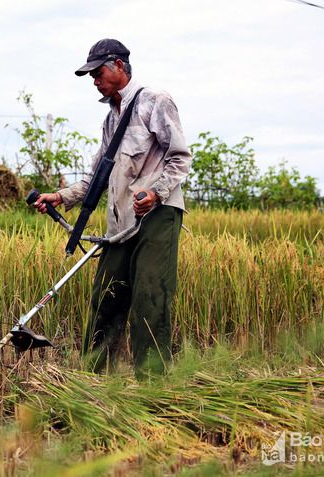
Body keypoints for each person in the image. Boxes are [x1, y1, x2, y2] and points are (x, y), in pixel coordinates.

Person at [33, 38, 191, 377]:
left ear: (119, 65)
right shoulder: (111, 120)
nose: (94, 80)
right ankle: (93, 381)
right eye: (90, 75)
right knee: (106, 297)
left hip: (155, 216)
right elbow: (97, 177)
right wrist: (60, 197)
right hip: (120, 225)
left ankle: (152, 388)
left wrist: (156, 193)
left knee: (150, 298)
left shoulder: (155, 102)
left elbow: (180, 158)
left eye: (98, 72)